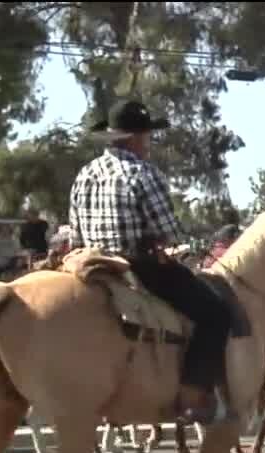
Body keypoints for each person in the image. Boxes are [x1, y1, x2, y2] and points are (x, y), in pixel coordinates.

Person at [68, 99, 232, 425]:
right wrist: (173, 244)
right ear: (133, 138)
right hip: (135, 265)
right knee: (215, 314)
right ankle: (191, 397)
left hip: (89, 262)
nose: (150, 142)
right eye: (147, 136)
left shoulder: (84, 174)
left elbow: (74, 233)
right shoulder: (141, 173)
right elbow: (169, 230)